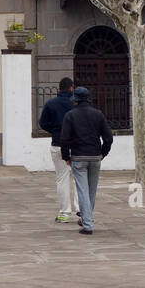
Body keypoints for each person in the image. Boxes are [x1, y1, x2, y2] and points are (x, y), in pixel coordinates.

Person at [59, 86, 113, 236]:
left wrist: (66, 157)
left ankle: (87, 224)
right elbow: (108, 137)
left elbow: (64, 139)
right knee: (91, 190)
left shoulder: (70, 115)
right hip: (95, 157)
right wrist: (103, 153)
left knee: (82, 190)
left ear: (75, 100)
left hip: (78, 157)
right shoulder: (98, 114)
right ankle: (86, 219)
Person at [38, 76, 80, 223]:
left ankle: (64, 212)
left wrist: (56, 130)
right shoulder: (76, 104)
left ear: (59, 88)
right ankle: (80, 209)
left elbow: (42, 123)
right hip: (76, 145)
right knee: (78, 178)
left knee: (62, 179)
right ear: (71, 88)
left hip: (58, 143)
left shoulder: (50, 103)